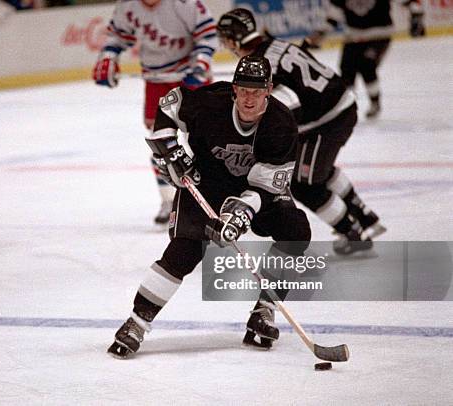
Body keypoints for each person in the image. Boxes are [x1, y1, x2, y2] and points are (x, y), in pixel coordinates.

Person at [107, 56, 312, 359]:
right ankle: (136, 323)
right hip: (205, 182)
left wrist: (239, 215)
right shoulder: (209, 104)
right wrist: (170, 151)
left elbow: (267, 187)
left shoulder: (281, 125)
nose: (249, 98)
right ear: (234, 89)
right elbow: (168, 105)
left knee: (296, 231)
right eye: (243, 89)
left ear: (269, 89)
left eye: (257, 91)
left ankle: (265, 309)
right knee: (184, 251)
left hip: (254, 191)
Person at [216, 8, 386, 255]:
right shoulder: (273, 43)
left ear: (233, 40)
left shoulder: (261, 63)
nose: (224, 44)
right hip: (338, 106)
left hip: (328, 118)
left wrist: (267, 134)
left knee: (301, 182)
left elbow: (289, 104)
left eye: (224, 38)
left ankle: (352, 232)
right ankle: (365, 216)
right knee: (317, 169)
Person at [92, 0, 218, 225]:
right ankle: (169, 201)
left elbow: (208, 34)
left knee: (205, 140)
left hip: (190, 77)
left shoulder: (184, 4)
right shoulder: (128, 6)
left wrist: (201, 63)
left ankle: (217, 193)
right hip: (156, 81)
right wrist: (108, 57)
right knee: (160, 142)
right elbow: (117, 36)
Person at [307, 0, 425, 118]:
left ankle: (375, 102)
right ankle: (348, 106)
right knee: (347, 69)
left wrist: (417, 16)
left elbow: (410, 2)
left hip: (379, 35)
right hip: (354, 36)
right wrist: (321, 33)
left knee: (367, 65)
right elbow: (334, 16)